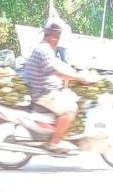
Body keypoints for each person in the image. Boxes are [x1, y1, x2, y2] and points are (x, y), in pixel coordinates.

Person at [19, 18, 80, 147]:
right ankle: (54, 143)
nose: (58, 40)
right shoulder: (44, 50)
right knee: (71, 109)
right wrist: (79, 78)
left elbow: (58, 64)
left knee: (74, 98)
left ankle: (61, 132)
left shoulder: (45, 48)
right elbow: (56, 71)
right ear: (53, 37)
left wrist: (74, 71)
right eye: (57, 37)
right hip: (44, 93)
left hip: (46, 90)